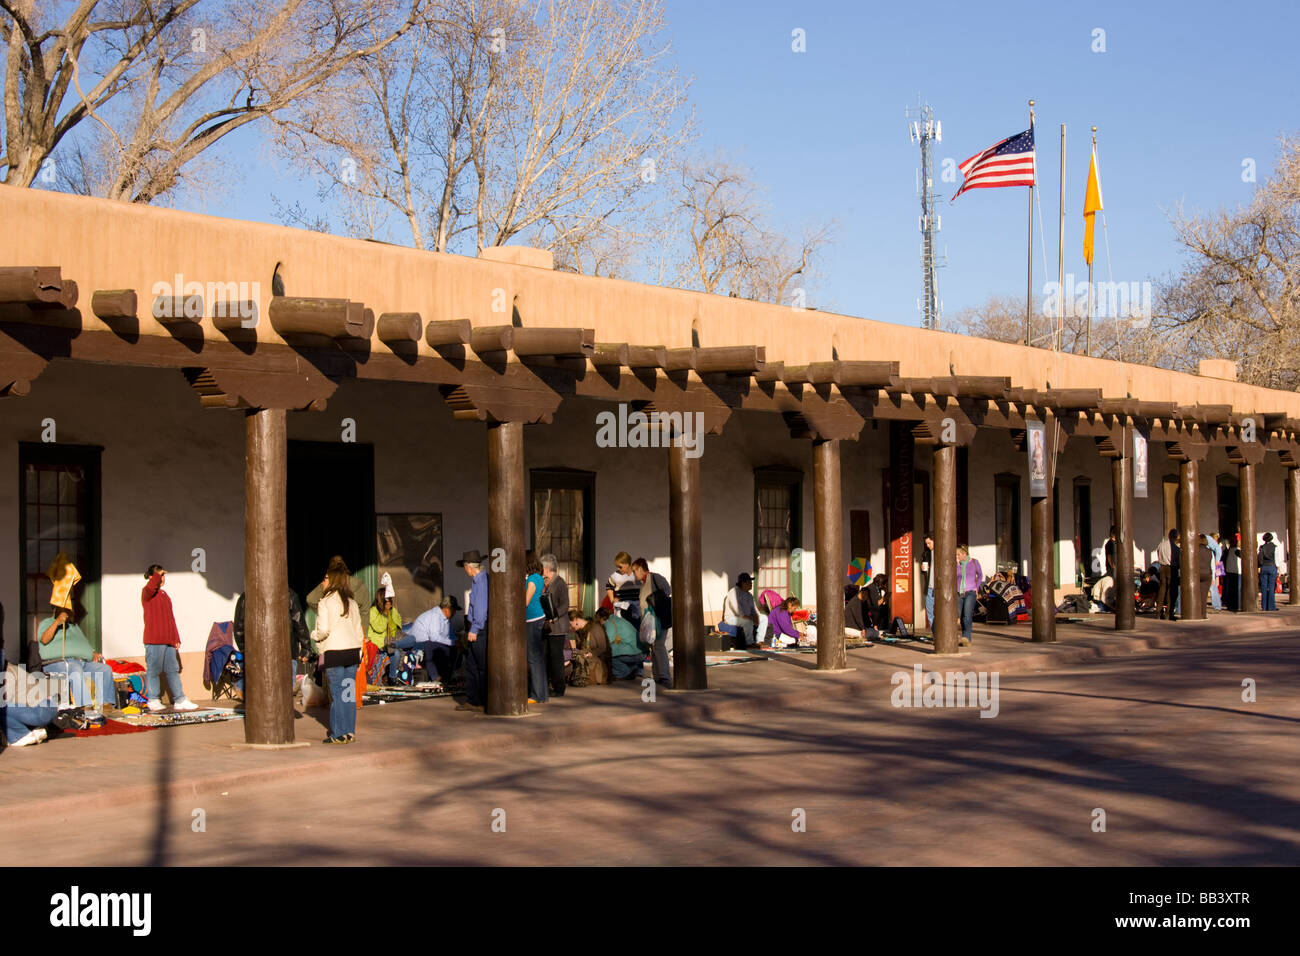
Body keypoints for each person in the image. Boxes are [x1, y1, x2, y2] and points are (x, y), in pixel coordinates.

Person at [311, 557, 364, 744]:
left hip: (334, 653)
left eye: (325, 578)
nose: (323, 582)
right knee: (348, 694)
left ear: (332, 580)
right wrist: (360, 653)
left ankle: (338, 733)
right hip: (352, 653)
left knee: (337, 693)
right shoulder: (352, 602)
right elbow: (359, 631)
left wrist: (313, 635)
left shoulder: (325, 602)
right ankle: (349, 731)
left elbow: (323, 630)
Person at [35, 607, 117, 714]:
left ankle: (106, 705)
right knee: (75, 669)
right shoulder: (47, 623)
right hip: (58, 662)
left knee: (104, 669)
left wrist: (91, 652)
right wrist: (57, 622)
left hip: (81, 662)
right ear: (55, 610)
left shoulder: (74, 626)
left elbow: (81, 643)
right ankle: (85, 707)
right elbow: (44, 639)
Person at [141, 565, 199, 713]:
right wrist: (156, 576)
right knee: (153, 670)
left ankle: (179, 699)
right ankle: (153, 699)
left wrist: (176, 637)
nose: (162, 578)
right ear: (151, 577)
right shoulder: (146, 593)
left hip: (168, 641)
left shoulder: (165, 595)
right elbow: (150, 588)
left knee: (173, 670)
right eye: (159, 576)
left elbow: (170, 619)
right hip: (154, 641)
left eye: (163, 576)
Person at [2, 645, 59, 748]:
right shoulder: (9, 669)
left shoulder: (6, 674)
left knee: (2, 708)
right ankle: (35, 729)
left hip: (41, 709)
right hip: (44, 708)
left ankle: (21, 735)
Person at [457, 550, 490, 711]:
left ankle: (479, 700)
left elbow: (481, 609)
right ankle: (475, 699)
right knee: (473, 664)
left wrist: (475, 628)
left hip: (479, 628)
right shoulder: (480, 580)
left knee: (479, 665)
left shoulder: (481, 582)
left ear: (468, 567)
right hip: (477, 626)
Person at [631, 557, 672, 685]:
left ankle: (664, 675)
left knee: (659, 646)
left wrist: (653, 600)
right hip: (649, 621)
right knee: (653, 648)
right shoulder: (642, 584)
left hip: (658, 618)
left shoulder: (655, 578)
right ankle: (657, 675)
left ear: (640, 569)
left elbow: (667, 590)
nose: (633, 574)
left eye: (634, 571)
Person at [407, 599, 457, 687]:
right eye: (454, 610)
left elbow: (450, 637)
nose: (455, 613)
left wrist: (456, 642)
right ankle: (436, 677)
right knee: (432, 646)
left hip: (430, 641)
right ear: (447, 609)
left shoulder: (446, 620)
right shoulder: (435, 616)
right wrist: (453, 643)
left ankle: (446, 677)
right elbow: (434, 637)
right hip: (419, 643)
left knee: (452, 649)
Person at [541, 554, 571, 697]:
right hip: (547, 627)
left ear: (547, 569)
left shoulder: (560, 583)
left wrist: (553, 616)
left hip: (557, 627)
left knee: (556, 658)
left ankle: (559, 688)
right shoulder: (546, 583)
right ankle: (546, 685)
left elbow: (565, 605)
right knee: (547, 657)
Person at [592, 607, 645, 679]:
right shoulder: (616, 619)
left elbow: (606, 642)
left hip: (636, 653)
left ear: (601, 618)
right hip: (641, 651)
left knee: (608, 653)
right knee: (613, 649)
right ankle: (632, 669)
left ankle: (624, 672)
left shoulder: (609, 622)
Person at [524, 552, 548, 703]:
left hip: (532, 619)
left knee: (533, 658)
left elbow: (525, 601)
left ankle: (536, 694)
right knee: (537, 658)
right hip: (538, 618)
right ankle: (542, 693)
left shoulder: (532, 580)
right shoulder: (539, 578)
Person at [566, 609, 611, 685]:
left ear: (576, 620)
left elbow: (602, 648)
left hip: (597, 663)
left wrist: (591, 653)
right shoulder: (577, 632)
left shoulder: (595, 628)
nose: (570, 627)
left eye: (570, 624)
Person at [720, 572, 760, 648]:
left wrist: (757, 617)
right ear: (743, 583)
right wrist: (749, 617)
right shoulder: (734, 592)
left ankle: (759, 641)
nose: (751, 584)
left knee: (763, 619)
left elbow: (754, 609)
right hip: (732, 618)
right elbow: (737, 610)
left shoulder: (749, 595)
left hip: (746, 617)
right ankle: (749, 643)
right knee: (747, 622)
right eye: (749, 582)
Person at [605, 551, 642, 630]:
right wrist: (612, 599)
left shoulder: (637, 574)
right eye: (617, 567)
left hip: (636, 609)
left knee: (636, 631)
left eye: (620, 567)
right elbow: (609, 587)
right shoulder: (615, 576)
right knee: (623, 631)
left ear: (627, 564)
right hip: (622, 609)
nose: (618, 569)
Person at [956, 544, 982, 646]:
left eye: (958, 554)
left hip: (970, 592)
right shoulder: (957, 564)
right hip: (959, 592)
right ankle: (965, 637)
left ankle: (966, 637)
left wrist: (977, 587)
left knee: (967, 615)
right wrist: (957, 564)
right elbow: (956, 575)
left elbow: (980, 575)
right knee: (961, 615)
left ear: (964, 554)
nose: (956, 556)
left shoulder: (974, 562)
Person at [1156, 530, 1179, 621]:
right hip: (1171, 568)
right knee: (1171, 590)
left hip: (1162, 567)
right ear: (1176, 536)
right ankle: (1168, 613)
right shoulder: (1175, 547)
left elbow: (1158, 554)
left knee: (1162, 589)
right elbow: (1177, 560)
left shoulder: (1160, 545)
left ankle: (1158, 612)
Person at [1259, 532, 1279, 611]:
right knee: (1271, 587)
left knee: (1263, 587)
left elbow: (1260, 557)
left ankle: (1264, 606)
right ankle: (1271, 606)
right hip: (1272, 566)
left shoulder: (1262, 547)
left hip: (1264, 567)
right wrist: (1278, 568)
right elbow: (1277, 559)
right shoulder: (1274, 547)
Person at [920, 536, 935, 629]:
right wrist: (923, 569)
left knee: (939, 613)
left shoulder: (941, 553)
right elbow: (924, 570)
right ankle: (935, 635)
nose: (928, 545)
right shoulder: (926, 554)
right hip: (929, 587)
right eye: (926, 544)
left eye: (929, 543)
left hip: (938, 587)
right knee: (930, 613)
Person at [1224, 535, 1241, 612]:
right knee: (1238, 589)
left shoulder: (1229, 550)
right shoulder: (1238, 550)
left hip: (1229, 571)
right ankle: (1238, 605)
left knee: (1231, 589)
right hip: (1237, 571)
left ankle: (1230, 604)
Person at [1207, 533, 1224, 611]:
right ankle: (1217, 606)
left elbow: (1218, 549)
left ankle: (1217, 606)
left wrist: (1217, 560)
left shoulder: (1207, 539)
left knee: (1213, 585)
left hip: (1210, 565)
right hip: (1209, 564)